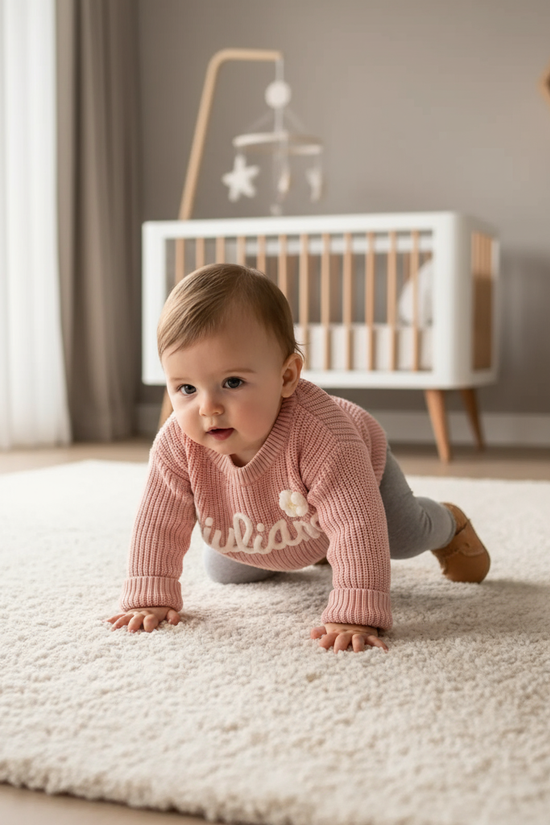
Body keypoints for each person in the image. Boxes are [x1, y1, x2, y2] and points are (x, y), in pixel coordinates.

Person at [108, 264, 490, 653]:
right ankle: (320, 545)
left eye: (233, 383)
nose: (209, 408)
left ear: (287, 376)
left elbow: (356, 524)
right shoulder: (177, 443)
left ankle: (449, 523)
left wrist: (354, 612)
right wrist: (150, 593)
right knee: (225, 569)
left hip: (359, 475)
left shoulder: (325, 438)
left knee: (401, 534)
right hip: (273, 514)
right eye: (186, 388)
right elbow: (159, 523)